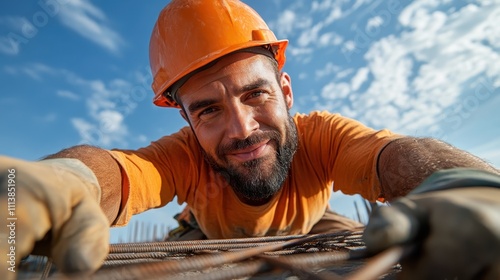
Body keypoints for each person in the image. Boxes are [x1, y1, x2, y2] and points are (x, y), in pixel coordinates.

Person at [0, 0, 499, 279]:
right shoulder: (184, 156)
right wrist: (71, 179)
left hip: (312, 225)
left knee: (366, 237)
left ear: (285, 90)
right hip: (208, 234)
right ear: (188, 121)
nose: (240, 129)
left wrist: (466, 182)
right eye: (209, 110)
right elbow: (124, 171)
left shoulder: (322, 137)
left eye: (255, 94)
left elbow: (393, 155)